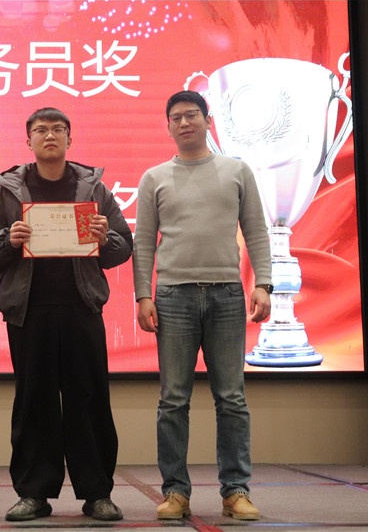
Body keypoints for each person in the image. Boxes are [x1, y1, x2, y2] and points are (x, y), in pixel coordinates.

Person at [0, 107, 132, 522]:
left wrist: (104, 239)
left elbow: (124, 245)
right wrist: (7, 239)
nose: (50, 135)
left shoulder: (93, 188)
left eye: (58, 129)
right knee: (34, 402)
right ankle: (34, 493)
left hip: (81, 308)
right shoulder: (8, 192)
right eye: (41, 130)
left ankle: (97, 493)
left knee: (89, 400)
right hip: (29, 313)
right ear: (29, 141)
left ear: (70, 139)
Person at [132, 91, 272, 521]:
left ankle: (236, 490)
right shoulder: (154, 177)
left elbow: (256, 230)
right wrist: (143, 295)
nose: (184, 123)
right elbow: (143, 241)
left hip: (226, 294)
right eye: (176, 117)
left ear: (208, 121)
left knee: (231, 398)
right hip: (173, 296)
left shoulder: (237, 170)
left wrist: (263, 283)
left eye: (192, 115)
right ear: (168, 126)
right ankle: (175, 492)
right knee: (173, 399)